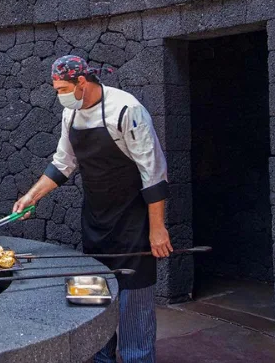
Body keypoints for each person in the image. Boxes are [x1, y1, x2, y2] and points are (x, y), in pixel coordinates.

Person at [12, 55, 172, 363]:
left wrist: (157, 228)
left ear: (82, 83)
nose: (59, 95)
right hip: (96, 218)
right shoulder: (70, 115)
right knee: (92, 292)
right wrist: (32, 196)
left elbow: (153, 172)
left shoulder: (126, 109)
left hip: (133, 220)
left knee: (133, 296)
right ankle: (98, 356)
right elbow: (63, 163)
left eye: (62, 89)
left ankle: (137, 357)